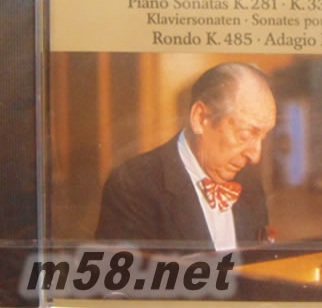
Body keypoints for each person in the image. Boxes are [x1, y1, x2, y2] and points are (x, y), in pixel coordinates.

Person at [95, 62, 276, 251]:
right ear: (200, 118)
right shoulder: (132, 187)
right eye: (245, 135)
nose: (255, 156)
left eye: (263, 137)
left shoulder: (251, 185)